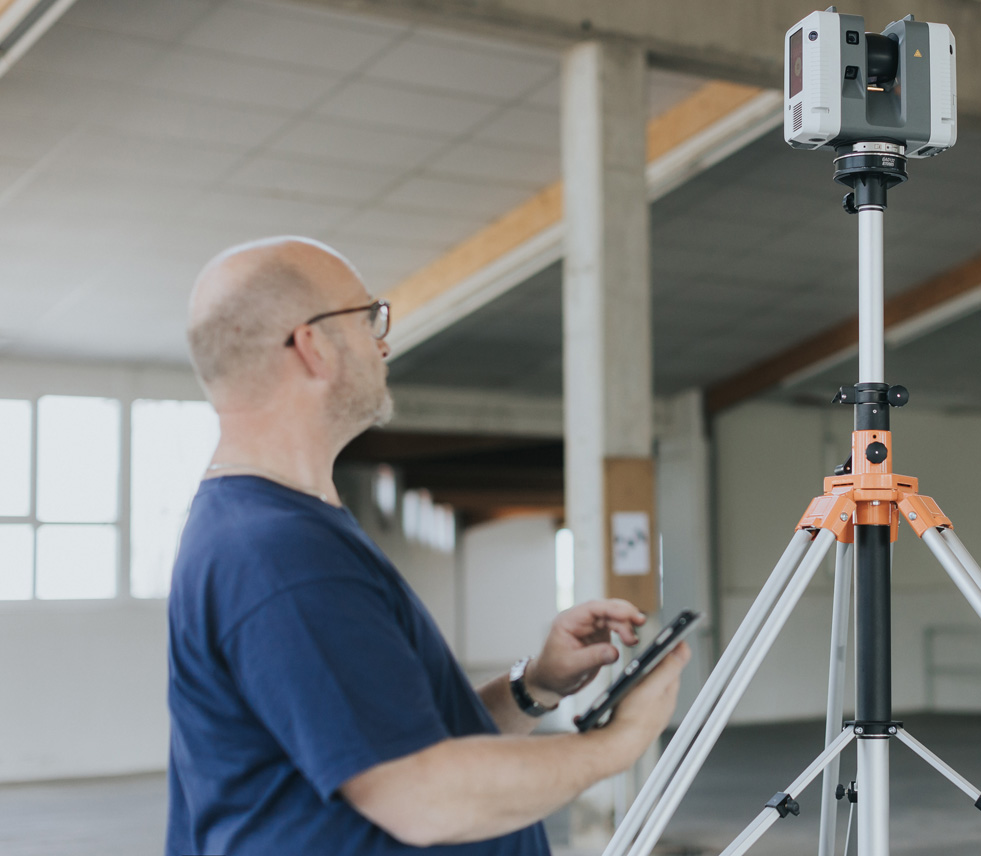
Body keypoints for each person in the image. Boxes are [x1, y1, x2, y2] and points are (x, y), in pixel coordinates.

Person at [167, 236, 687, 855]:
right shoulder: (279, 553)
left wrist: (537, 685)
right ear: (312, 346)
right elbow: (421, 797)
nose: (383, 341)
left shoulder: (285, 530)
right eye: (369, 318)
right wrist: (618, 744)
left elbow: (400, 740)